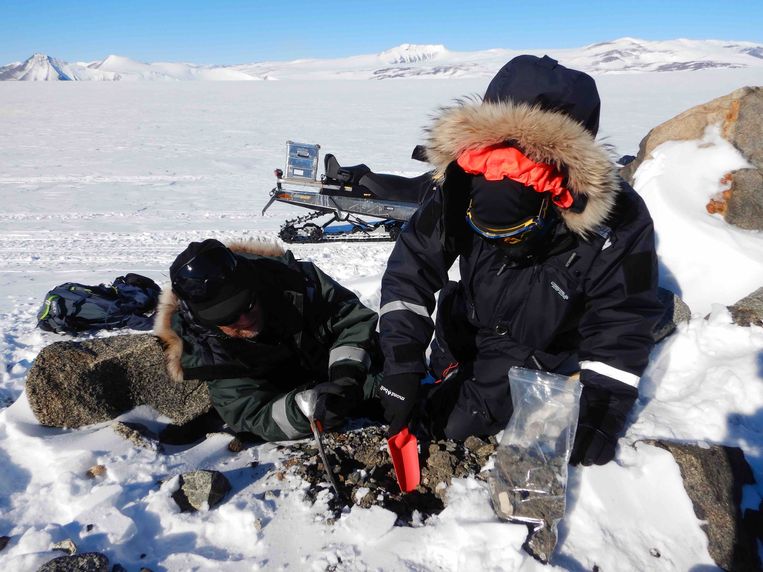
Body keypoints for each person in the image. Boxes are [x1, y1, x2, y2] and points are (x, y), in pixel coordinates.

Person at [377, 55, 663, 466]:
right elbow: (411, 268)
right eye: (487, 231)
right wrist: (402, 364)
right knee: (399, 401)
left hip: (536, 353)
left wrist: (603, 409)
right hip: (461, 331)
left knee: (449, 429)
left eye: (517, 232)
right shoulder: (461, 182)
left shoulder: (617, 220)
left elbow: (623, 315)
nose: (504, 243)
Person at [154, 238, 380, 442]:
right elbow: (252, 414)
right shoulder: (208, 353)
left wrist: (347, 373)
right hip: (307, 399)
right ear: (206, 322)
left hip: (361, 372)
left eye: (248, 304)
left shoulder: (294, 281)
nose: (244, 319)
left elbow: (350, 318)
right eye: (229, 317)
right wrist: (306, 410)